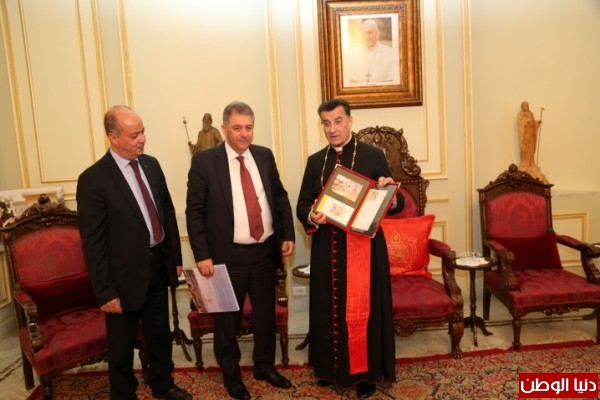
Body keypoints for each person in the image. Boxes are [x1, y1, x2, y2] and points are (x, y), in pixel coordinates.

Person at [76, 105, 191, 400]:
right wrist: (105, 291)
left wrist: (175, 259)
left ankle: (162, 384)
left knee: (159, 334)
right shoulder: (93, 179)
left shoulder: (151, 165)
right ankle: (124, 393)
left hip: (157, 266)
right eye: (134, 135)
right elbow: (93, 242)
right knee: (122, 345)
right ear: (113, 137)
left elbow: (166, 212)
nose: (143, 139)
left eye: (143, 132)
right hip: (121, 278)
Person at [185, 101, 295, 400]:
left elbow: (279, 197)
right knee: (226, 321)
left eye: (248, 127)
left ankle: (264, 367)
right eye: (237, 128)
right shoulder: (205, 162)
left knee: (265, 316)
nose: (244, 133)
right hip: (227, 256)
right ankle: (231, 377)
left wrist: (287, 234)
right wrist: (202, 255)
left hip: (264, 252)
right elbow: (194, 212)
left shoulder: (264, 155)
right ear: (224, 128)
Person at [296, 98, 404, 398]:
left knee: (364, 312)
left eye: (338, 121)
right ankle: (329, 369)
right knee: (327, 308)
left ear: (350, 120)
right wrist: (311, 214)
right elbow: (302, 204)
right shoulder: (315, 161)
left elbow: (395, 203)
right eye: (326, 123)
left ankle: (366, 375)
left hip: (364, 250)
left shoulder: (373, 155)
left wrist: (390, 194)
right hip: (327, 250)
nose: (333, 129)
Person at [343, 19, 400, 87]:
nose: (367, 37)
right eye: (364, 33)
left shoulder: (391, 53)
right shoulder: (351, 55)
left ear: (377, 33)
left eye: (370, 33)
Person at [517, 101, 542, 168]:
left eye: (527, 105)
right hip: (525, 133)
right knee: (526, 147)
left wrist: (537, 123)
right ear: (522, 107)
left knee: (531, 148)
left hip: (531, 133)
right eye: (524, 106)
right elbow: (520, 123)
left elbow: (533, 122)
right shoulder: (521, 114)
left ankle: (531, 163)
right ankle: (525, 162)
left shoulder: (531, 113)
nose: (526, 107)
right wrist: (526, 121)